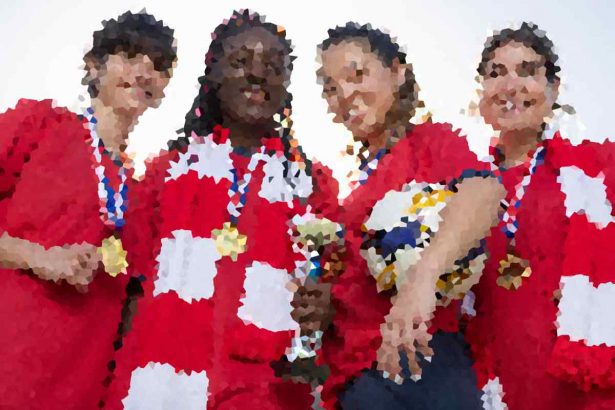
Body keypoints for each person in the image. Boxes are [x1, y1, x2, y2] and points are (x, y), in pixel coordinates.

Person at [104, 10, 338, 409]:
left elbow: (336, 287)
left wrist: (326, 301)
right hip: (158, 384)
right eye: (241, 61)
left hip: (264, 390)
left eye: (273, 66)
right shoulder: (167, 173)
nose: (257, 74)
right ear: (213, 76)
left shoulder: (312, 186)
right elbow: (130, 290)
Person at [294, 22, 503, 409]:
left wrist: (422, 280)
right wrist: (324, 304)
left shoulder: (430, 143)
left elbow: (484, 193)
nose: (345, 95)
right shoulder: (349, 191)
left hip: (422, 362)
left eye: (357, 75)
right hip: (356, 381)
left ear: (397, 72)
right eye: (331, 88)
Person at [0, 11, 176, 409]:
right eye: (130, 55)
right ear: (94, 66)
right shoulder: (39, 126)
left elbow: (133, 304)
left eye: (158, 65)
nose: (145, 71)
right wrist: (37, 257)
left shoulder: (142, 191)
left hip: (83, 385)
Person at [459, 22, 615, 409]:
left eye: (527, 71)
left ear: (553, 88)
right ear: (482, 91)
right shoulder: (463, 186)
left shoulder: (597, 170)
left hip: (579, 383)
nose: (511, 86)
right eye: (496, 73)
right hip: (494, 384)